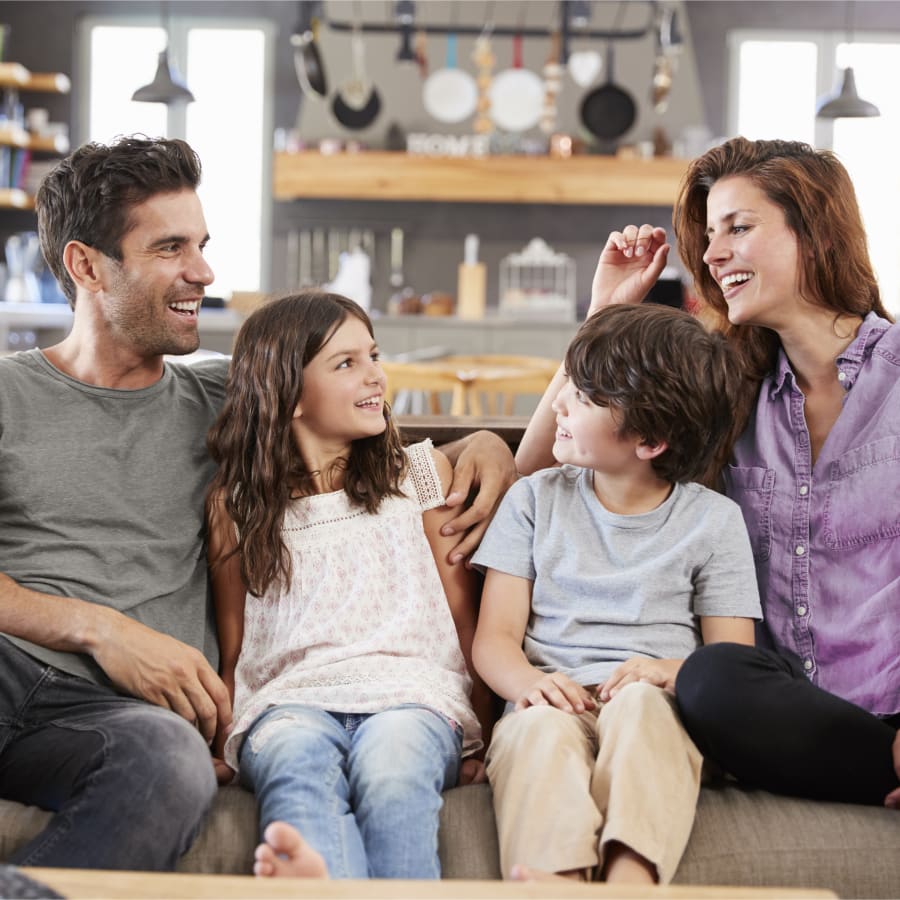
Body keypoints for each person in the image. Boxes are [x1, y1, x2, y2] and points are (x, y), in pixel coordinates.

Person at [0, 135, 514, 871]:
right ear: (86, 266)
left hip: (109, 720)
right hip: (10, 667)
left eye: (202, 245)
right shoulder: (9, 392)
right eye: (170, 248)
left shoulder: (228, 397)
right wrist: (100, 629)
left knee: (170, 765)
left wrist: (486, 444)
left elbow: (361, 437)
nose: (203, 272)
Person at [520, 136, 900, 811]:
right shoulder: (727, 388)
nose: (711, 254)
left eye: (738, 228)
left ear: (815, 234)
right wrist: (604, 314)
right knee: (709, 678)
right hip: (771, 713)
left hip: (888, 703)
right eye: (710, 235)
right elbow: (545, 469)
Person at [206, 290, 494, 880]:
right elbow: (235, 649)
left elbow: (465, 623)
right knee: (295, 767)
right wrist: (219, 741)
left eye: (374, 356)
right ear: (288, 395)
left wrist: (487, 734)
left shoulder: (419, 474)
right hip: (287, 704)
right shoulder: (235, 507)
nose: (376, 376)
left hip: (413, 698)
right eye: (346, 363)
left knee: (394, 772)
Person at [471, 303, 762, 884]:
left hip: (658, 705)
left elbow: (732, 663)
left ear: (650, 440)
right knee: (536, 730)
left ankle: (631, 879)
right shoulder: (533, 501)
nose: (558, 401)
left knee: (641, 709)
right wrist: (527, 685)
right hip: (551, 700)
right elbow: (494, 640)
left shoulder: (715, 522)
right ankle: (554, 881)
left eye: (583, 396)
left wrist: (666, 671)